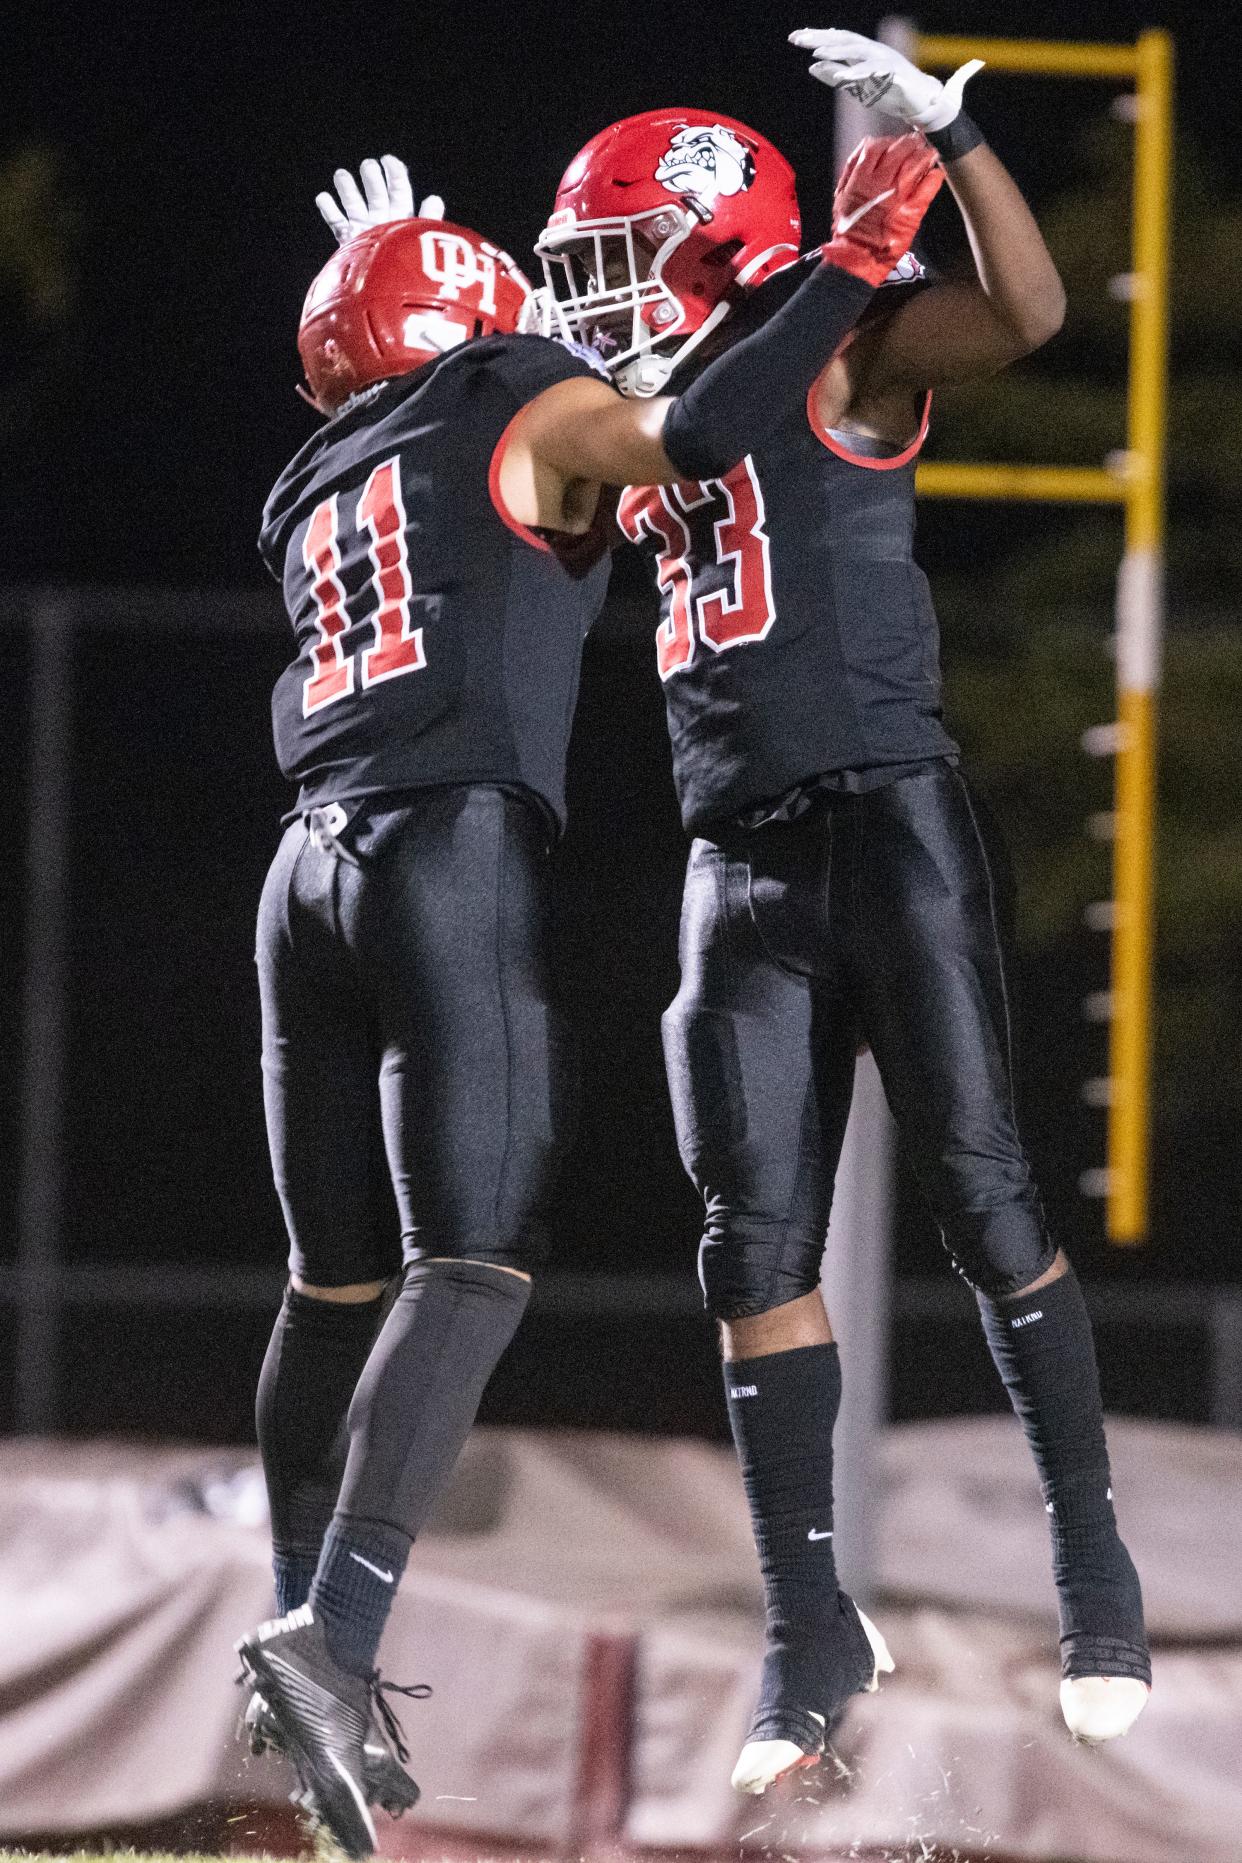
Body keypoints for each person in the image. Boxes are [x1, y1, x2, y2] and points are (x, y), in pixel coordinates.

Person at [237, 142, 943, 1858]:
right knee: (470, 1258)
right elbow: (685, 434)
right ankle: (332, 1639)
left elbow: (462, 423)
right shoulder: (514, 392)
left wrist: (406, 265)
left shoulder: (318, 470)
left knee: (330, 1286)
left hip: (298, 877)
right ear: (470, 321)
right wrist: (842, 272)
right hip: (437, 852)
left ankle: (290, 1622)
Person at [527, 29, 1151, 1790]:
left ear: (717, 235)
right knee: (748, 1247)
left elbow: (1025, 313)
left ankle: (1092, 1574)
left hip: (886, 816)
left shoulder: (845, 334)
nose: (594, 289)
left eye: (617, 248)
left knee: (976, 1183)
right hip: (735, 860)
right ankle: (809, 1630)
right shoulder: (651, 411)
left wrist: (956, 148)